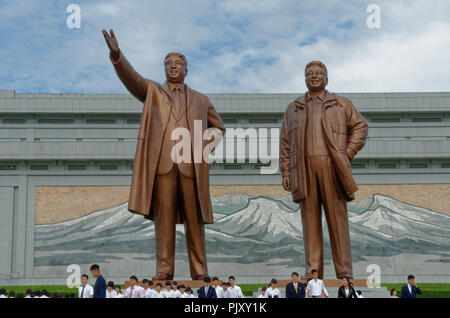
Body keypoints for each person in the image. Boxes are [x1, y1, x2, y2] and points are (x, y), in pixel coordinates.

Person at [102, 29, 225, 282]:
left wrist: (210, 141)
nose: (172, 67)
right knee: (164, 221)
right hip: (163, 167)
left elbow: (219, 127)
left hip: (191, 167)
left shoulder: (201, 100)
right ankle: (165, 270)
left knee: (195, 222)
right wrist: (117, 55)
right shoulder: (153, 92)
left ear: (186, 70)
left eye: (178, 64)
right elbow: (132, 78)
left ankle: (200, 271)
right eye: (168, 64)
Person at [280, 61, 368, 280]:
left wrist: (347, 152)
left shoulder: (341, 103)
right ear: (305, 79)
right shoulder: (294, 108)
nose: (314, 76)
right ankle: (313, 271)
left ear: (327, 78)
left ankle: (345, 271)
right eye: (309, 73)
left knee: (337, 220)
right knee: (310, 222)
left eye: (319, 73)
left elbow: (360, 126)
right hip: (303, 169)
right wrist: (286, 171)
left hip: (332, 167)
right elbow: (284, 142)